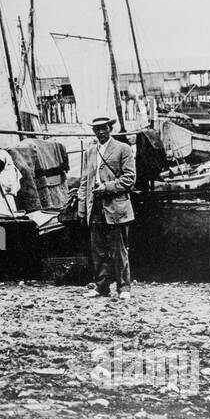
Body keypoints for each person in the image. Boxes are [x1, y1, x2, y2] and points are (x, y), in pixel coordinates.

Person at [76, 115, 136, 300]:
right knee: (98, 250)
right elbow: (85, 181)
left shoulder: (123, 149)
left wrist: (107, 187)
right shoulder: (90, 152)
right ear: (93, 131)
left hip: (116, 206)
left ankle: (123, 287)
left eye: (104, 128)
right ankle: (101, 287)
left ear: (110, 129)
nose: (101, 132)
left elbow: (129, 178)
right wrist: (81, 207)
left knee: (118, 250)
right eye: (97, 129)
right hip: (95, 207)